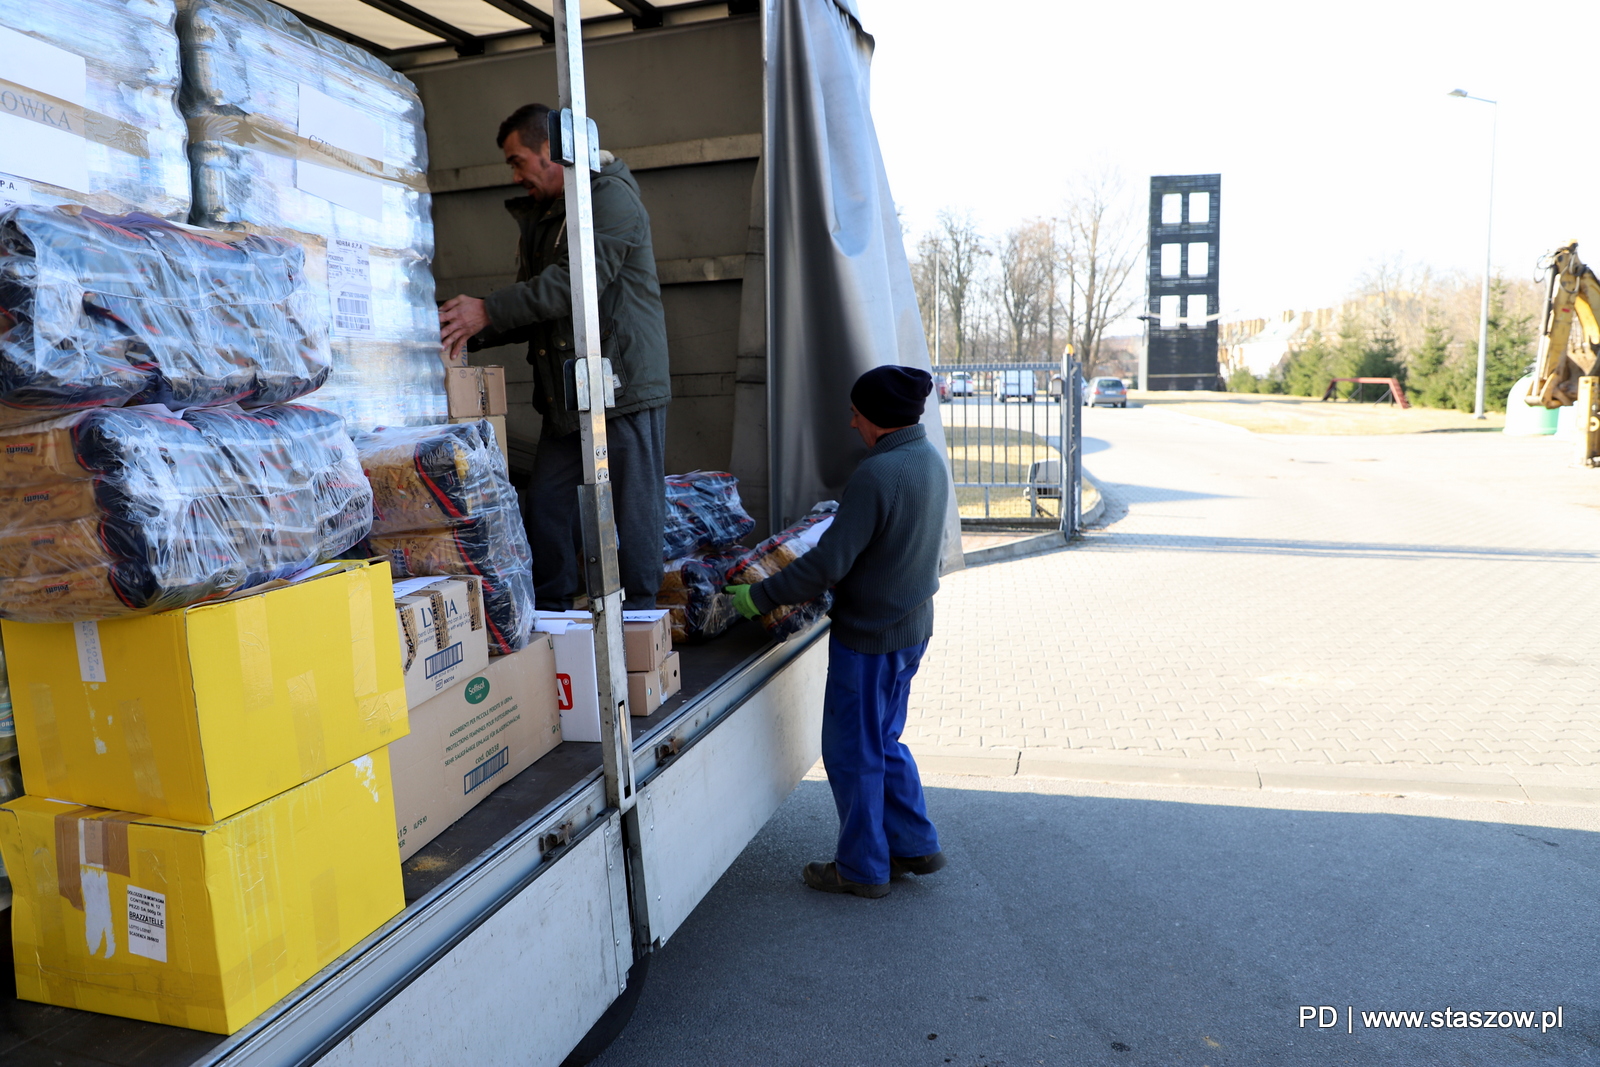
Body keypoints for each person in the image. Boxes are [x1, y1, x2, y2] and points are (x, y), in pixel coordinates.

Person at [725, 366, 949, 899]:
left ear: (878, 419)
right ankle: (915, 843)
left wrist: (760, 594)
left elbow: (829, 563)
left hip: (870, 638)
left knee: (853, 751)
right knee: (884, 739)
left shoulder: (879, 473)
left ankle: (863, 868)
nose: (851, 422)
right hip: (911, 628)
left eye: (856, 412)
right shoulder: (928, 461)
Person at [438, 103, 670, 611]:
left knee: (633, 509)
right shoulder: (547, 214)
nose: (515, 174)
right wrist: (462, 331)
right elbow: (536, 303)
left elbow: (570, 286)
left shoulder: (610, 199)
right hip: (567, 391)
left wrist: (487, 312)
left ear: (552, 151)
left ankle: (642, 619)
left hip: (619, 385)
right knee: (546, 505)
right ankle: (555, 614)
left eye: (518, 161)